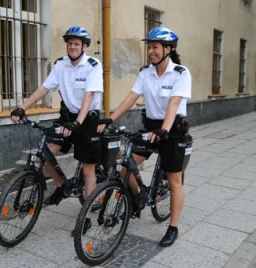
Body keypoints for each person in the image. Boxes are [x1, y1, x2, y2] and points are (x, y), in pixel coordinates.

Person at [98, 26, 192, 247]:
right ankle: (138, 197)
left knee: (174, 181)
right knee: (124, 167)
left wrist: (165, 130)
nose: (151, 51)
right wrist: (110, 119)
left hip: (172, 129)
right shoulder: (145, 72)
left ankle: (173, 227)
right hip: (151, 127)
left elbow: (174, 104)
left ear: (168, 49)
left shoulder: (181, 73)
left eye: (155, 47)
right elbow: (131, 98)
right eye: (149, 47)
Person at [11, 26, 103, 233]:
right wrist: (22, 108)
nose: (72, 46)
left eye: (76, 43)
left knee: (88, 169)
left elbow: (89, 96)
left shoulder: (92, 65)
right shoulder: (61, 65)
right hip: (67, 118)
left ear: (84, 46)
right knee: (44, 153)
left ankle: (86, 216)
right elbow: (45, 88)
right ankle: (62, 185)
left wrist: (78, 123)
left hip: (87, 120)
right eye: (70, 43)